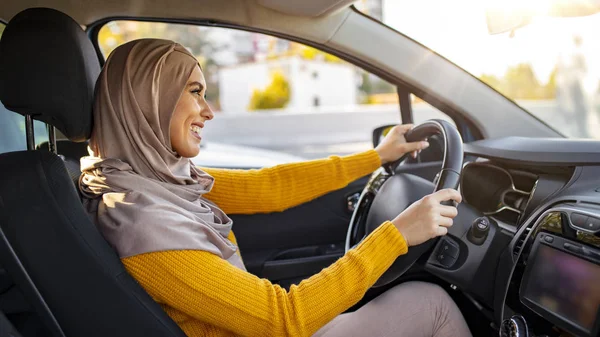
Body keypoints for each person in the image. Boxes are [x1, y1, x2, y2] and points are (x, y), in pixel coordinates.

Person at [79, 38, 471, 337]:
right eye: (195, 92)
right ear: (150, 100)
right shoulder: (144, 224)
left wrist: (376, 157)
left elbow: (269, 188)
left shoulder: (152, 181)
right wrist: (397, 234)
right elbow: (285, 319)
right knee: (431, 303)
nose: (208, 110)